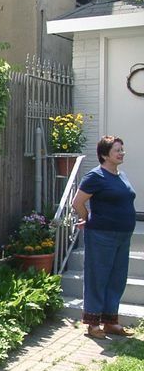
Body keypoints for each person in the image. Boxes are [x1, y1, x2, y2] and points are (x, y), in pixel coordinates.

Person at [72, 135, 136, 339]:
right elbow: (77, 203)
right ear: (103, 154)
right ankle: (93, 325)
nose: (121, 153)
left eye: (122, 149)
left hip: (122, 236)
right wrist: (89, 219)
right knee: (98, 278)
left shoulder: (120, 175)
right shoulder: (95, 176)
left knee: (117, 279)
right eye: (117, 150)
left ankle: (110, 322)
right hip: (101, 236)